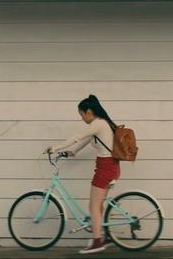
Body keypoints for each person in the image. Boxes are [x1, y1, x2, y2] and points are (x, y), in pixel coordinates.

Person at [45, 94, 120, 254]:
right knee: (98, 205)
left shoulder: (98, 123)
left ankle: (97, 242)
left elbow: (77, 137)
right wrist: (68, 153)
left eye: (81, 114)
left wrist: (55, 148)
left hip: (105, 168)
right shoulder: (100, 125)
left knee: (93, 206)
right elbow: (80, 144)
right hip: (108, 167)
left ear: (89, 112)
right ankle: (105, 236)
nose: (81, 118)